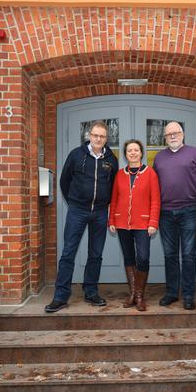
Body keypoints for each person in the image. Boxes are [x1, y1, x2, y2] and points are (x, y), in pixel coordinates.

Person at [45, 121, 118, 313]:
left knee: (96, 254)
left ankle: (91, 291)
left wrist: (106, 203)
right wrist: (74, 202)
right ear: (89, 135)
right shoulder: (76, 155)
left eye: (102, 136)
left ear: (106, 138)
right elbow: (64, 180)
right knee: (68, 252)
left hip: (100, 212)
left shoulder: (111, 159)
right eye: (95, 135)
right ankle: (61, 296)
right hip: (78, 211)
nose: (98, 139)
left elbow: (114, 185)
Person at [153, 121, 196, 310]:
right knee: (170, 255)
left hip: (189, 211)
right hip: (165, 213)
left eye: (176, 133)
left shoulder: (195, 154)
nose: (173, 136)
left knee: (189, 256)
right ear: (165, 138)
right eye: (169, 134)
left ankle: (189, 295)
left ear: (183, 134)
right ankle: (171, 293)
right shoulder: (159, 157)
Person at [109, 139, 160, 311]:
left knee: (143, 258)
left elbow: (155, 200)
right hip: (122, 223)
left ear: (141, 153)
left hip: (143, 224)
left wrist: (153, 222)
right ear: (125, 154)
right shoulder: (119, 175)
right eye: (129, 150)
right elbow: (114, 199)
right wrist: (112, 220)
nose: (133, 153)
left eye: (136, 150)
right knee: (129, 258)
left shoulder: (150, 173)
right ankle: (133, 294)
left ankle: (139, 294)